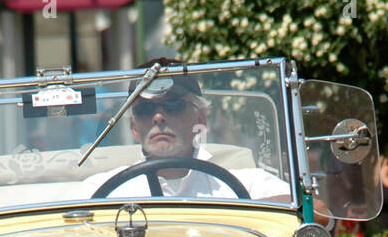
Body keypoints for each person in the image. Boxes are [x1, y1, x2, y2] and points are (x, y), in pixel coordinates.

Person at [79, 60, 291, 202]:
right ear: (134, 128)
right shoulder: (102, 191)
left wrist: (245, 211)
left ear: (200, 119)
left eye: (173, 105)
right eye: (145, 109)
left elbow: (316, 212)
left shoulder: (248, 185)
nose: (158, 117)